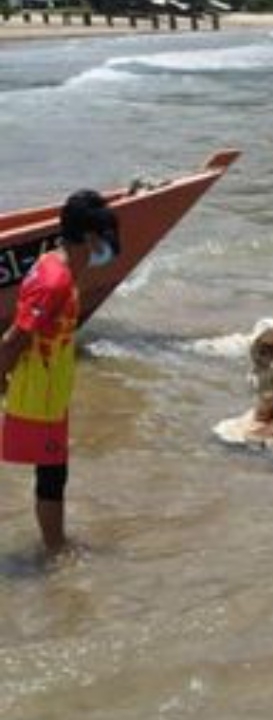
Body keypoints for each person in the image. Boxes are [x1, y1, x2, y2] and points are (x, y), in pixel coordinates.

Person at [0, 189, 119, 554]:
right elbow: (16, 337)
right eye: (105, 235)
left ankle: (55, 544)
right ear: (90, 236)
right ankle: (54, 550)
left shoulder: (56, 265)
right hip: (38, 393)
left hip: (51, 390)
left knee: (54, 472)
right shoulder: (55, 281)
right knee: (52, 474)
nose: (109, 246)